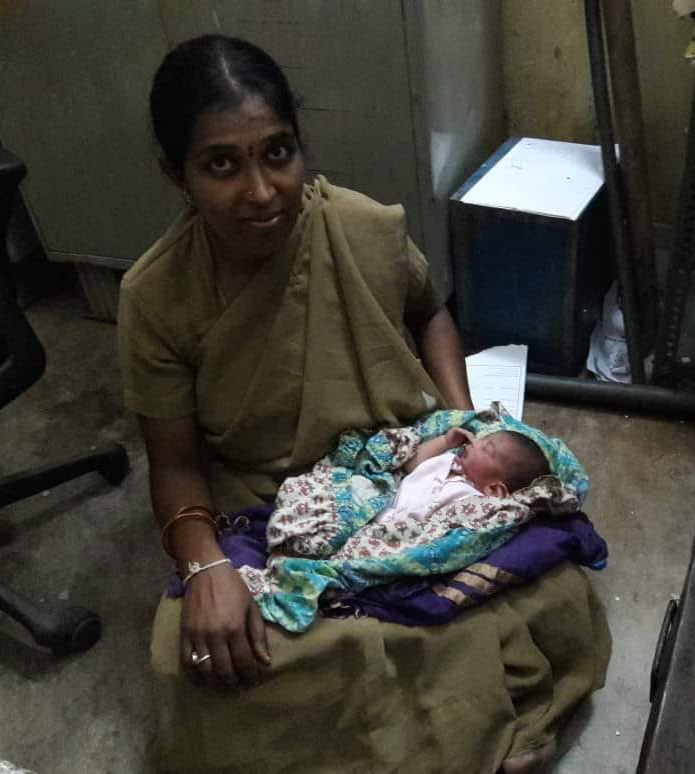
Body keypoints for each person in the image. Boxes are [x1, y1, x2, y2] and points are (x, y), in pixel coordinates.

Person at [118, 34, 609, 774]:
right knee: (191, 656)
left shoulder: (364, 228)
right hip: (274, 502)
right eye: (223, 163)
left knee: (554, 577)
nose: (260, 191)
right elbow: (176, 464)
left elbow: (431, 311)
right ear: (175, 175)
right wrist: (205, 570)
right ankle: (469, 727)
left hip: (407, 464)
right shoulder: (154, 298)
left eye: (277, 153)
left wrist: (459, 419)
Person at [271, 426, 552, 559]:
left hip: (395, 534)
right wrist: (444, 441)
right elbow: (412, 463)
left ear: (494, 489)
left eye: (487, 448)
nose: (476, 442)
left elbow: (448, 533)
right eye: (484, 438)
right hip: (376, 502)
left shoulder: (473, 501)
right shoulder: (450, 460)